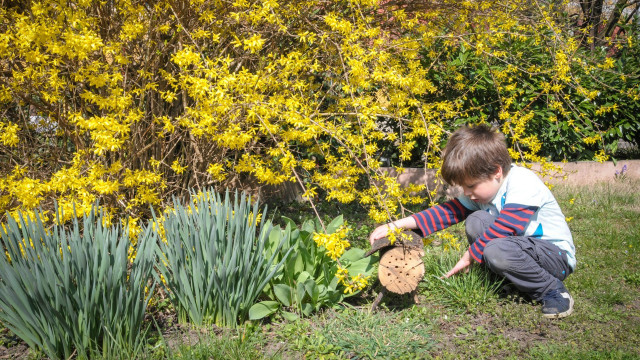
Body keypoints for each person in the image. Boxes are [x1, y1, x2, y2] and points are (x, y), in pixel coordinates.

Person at [368, 124, 576, 319]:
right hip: (516, 250)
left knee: (495, 248)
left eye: (471, 186)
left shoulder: (523, 181)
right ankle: (506, 281)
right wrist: (398, 225)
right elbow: (446, 213)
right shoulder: (485, 192)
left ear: (496, 171)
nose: (467, 193)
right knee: (476, 220)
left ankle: (552, 290)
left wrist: (470, 255)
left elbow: (509, 226)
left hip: (554, 258)